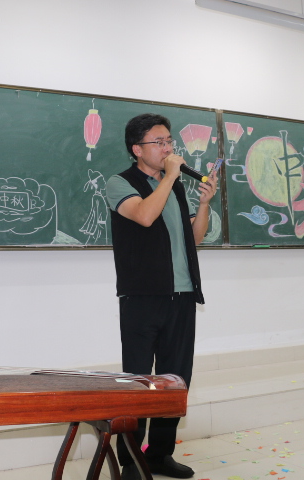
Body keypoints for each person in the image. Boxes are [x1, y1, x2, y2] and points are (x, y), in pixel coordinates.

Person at [105, 113, 217, 479]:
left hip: (181, 296)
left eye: (170, 141)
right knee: (138, 382)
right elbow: (144, 216)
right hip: (142, 297)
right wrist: (169, 176)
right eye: (160, 142)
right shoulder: (121, 183)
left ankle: (159, 455)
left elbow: (193, 239)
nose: (169, 148)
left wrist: (204, 204)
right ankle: (131, 461)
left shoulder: (175, 186)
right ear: (137, 149)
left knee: (175, 380)